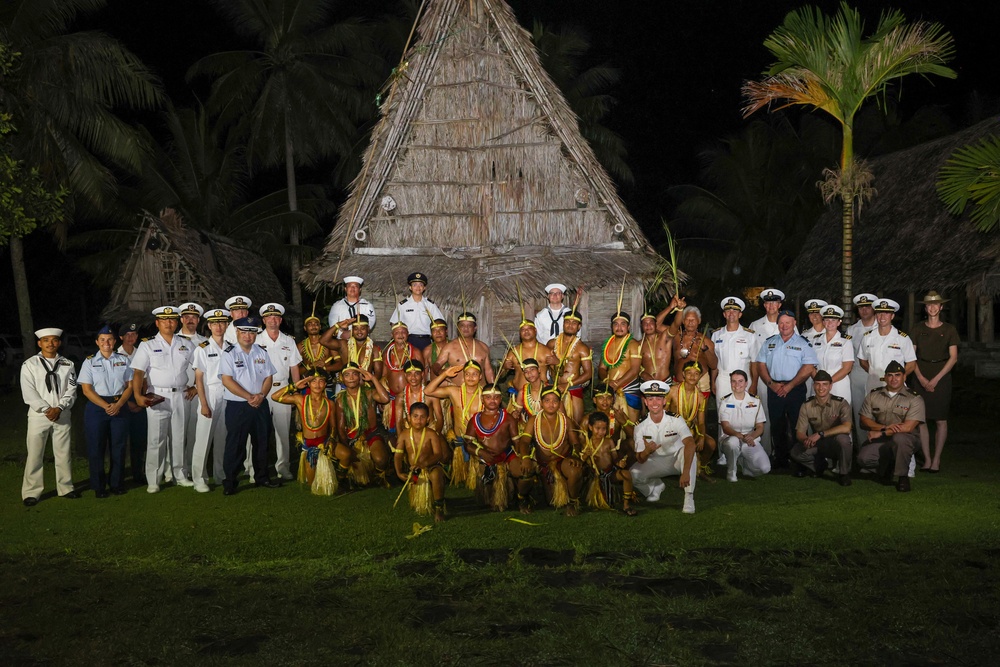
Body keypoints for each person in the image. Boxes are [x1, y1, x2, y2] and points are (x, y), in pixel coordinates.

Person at [131, 306, 197, 493]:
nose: (169, 323)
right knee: (156, 439)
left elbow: (199, 367)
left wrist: (196, 387)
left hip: (181, 395)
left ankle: (180, 475)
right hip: (157, 396)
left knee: (179, 437)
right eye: (165, 320)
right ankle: (154, 479)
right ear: (157, 323)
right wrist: (137, 395)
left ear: (177, 322)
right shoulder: (148, 344)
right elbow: (138, 372)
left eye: (172, 320)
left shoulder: (185, 343)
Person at [219, 316, 280, 495]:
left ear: (256, 335)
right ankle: (230, 482)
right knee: (235, 445)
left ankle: (262, 477)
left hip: (260, 404)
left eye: (252, 332)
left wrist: (261, 395)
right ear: (237, 332)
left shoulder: (261, 352)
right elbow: (226, 380)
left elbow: (269, 376)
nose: (248, 336)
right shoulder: (229, 353)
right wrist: (249, 396)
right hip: (238, 406)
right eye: (244, 332)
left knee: (262, 443)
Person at [20, 327, 79, 506]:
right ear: (39, 343)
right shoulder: (30, 364)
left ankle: (66, 487)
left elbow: (72, 389)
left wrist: (60, 407)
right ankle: (31, 492)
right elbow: (28, 391)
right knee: (35, 454)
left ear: (59, 343)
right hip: (39, 416)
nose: (50, 344)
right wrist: (47, 409)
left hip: (62, 414)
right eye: (46, 340)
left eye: (54, 340)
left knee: (63, 453)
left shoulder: (68, 364)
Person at [755, 308, 819, 468]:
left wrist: (790, 385)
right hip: (774, 388)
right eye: (781, 323)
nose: (784, 326)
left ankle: (799, 460)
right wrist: (771, 383)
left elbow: (808, 366)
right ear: (778, 325)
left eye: (788, 323)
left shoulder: (803, 343)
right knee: (777, 425)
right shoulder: (769, 342)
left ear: (794, 324)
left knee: (798, 425)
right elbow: (760, 364)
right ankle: (781, 459)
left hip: (795, 389)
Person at [78, 325, 133, 498]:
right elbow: (86, 390)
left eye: (109, 339)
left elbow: (130, 386)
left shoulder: (124, 360)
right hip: (97, 408)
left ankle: (116, 484)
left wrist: (119, 404)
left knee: (119, 446)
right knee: (96, 447)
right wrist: (106, 406)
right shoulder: (89, 361)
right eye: (102, 340)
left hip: (119, 405)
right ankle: (99, 486)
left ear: (115, 341)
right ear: (97, 342)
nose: (106, 343)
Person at [910, 291, 959, 473]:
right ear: (925, 308)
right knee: (921, 420)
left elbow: (953, 358)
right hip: (920, 373)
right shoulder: (917, 328)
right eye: (929, 305)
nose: (932, 308)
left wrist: (936, 379)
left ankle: (937, 459)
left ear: (941, 307)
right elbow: (911, 356)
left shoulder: (949, 329)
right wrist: (922, 379)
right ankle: (927, 459)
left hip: (942, 375)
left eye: (935, 305)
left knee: (940, 419)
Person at [630, 380, 697, 513]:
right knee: (633, 474)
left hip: (677, 459)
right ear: (645, 402)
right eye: (650, 399)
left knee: (690, 453)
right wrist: (647, 451)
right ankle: (654, 487)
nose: (654, 403)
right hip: (656, 461)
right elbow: (640, 458)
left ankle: (689, 497)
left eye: (658, 399)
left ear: (664, 401)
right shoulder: (640, 426)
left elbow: (690, 443)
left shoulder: (676, 419)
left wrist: (685, 472)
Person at [858, 361, 925, 492]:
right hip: (883, 438)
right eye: (890, 375)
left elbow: (907, 428)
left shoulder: (914, 399)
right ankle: (888, 466)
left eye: (897, 375)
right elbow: (864, 420)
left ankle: (902, 477)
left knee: (900, 439)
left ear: (904, 377)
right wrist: (883, 428)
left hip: (907, 439)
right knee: (863, 459)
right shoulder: (874, 395)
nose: (893, 379)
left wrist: (880, 432)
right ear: (885, 377)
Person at [461, 386, 527, 511]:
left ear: (501, 399)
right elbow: (467, 444)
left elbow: (517, 442)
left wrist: (523, 458)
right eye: (488, 397)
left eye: (496, 397)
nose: (493, 400)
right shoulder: (475, 420)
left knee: (524, 473)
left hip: (507, 456)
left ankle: (522, 498)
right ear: (482, 399)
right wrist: (480, 452)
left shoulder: (508, 418)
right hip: (486, 459)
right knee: (485, 502)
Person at [520, 386, 584, 515]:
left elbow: (575, 442)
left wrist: (576, 455)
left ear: (560, 403)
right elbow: (524, 441)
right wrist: (525, 458)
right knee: (525, 471)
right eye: (547, 400)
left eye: (555, 401)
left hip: (562, 461)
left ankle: (572, 503)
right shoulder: (533, 420)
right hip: (542, 464)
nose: (551, 404)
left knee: (575, 470)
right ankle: (523, 499)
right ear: (542, 403)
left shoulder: (567, 421)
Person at [272, 372, 337, 489]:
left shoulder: (330, 403)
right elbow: (275, 397)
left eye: (321, 381)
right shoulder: (300, 400)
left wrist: (331, 439)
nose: (317, 384)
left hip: (324, 442)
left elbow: (333, 426)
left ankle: (342, 478)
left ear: (325, 384)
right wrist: (294, 386)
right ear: (308, 384)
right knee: (312, 484)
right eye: (314, 381)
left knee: (347, 455)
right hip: (309, 446)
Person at [426, 360, 486, 486]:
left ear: (480, 376)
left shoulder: (485, 395)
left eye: (474, 374)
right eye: (467, 374)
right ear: (463, 376)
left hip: (479, 441)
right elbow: (428, 391)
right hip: (460, 440)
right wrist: (445, 374)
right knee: (464, 479)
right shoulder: (454, 391)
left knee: (480, 479)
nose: (470, 377)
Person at [332, 362, 392, 486]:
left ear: (360, 376)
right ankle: (344, 479)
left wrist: (373, 378)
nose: (351, 377)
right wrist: (347, 447)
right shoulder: (340, 400)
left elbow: (385, 399)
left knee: (380, 460)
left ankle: (377, 475)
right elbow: (341, 427)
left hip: (371, 434)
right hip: (352, 438)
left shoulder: (369, 393)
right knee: (355, 467)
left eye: (355, 374)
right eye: (347, 375)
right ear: (342, 379)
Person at [190, 308, 230, 492]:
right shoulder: (203, 348)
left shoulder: (231, 347)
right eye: (215, 323)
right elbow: (199, 378)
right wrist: (204, 404)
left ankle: (220, 473)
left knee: (222, 437)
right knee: (204, 439)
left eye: (222, 323)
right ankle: (199, 478)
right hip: (210, 393)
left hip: (228, 394)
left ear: (227, 324)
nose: (219, 326)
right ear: (210, 326)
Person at [792, 370, 853, 486]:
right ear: (814, 385)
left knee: (844, 440)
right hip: (818, 444)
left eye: (825, 384)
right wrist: (806, 440)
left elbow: (846, 427)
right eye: (818, 384)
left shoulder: (841, 403)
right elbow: (799, 432)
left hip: (835, 443)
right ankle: (819, 466)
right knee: (795, 451)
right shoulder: (806, 405)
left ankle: (844, 473)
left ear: (830, 386)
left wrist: (820, 434)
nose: (821, 388)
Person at [394, 402, 448, 521]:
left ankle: (439, 508)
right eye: (415, 416)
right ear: (409, 418)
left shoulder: (431, 434)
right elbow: (398, 455)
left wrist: (424, 464)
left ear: (428, 419)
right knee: (415, 481)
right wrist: (398, 472)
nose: (419, 420)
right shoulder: (404, 435)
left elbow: (438, 454)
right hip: (415, 472)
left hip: (431, 467)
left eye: (423, 417)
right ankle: (422, 500)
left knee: (436, 474)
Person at [665, 360, 716, 480]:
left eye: (696, 374)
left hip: (690, 430)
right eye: (689, 373)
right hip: (672, 429)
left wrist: (702, 437)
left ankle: (701, 468)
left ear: (700, 376)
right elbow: (663, 414)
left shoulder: (700, 397)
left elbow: (701, 422)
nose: (692, 376)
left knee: (711, 443)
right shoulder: (672, 391)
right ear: (683, 374)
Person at [579, 411, 637, 516]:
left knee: (626, 474)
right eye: (598, 428)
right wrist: (586, 455)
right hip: (596, 477)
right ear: (590, 427)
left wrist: (619, 463)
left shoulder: (609, 441)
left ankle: (626, 505)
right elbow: (581, 461)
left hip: (610, 473)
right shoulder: (587, 444)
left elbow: (614, 458)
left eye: (604, 429)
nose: (601, 432)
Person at [717, 370, 769, 483]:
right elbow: (725, 427)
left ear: (746, 383)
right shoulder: (725, 402)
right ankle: (732, 471)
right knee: (733, 442)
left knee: (765, 468)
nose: (737, 385)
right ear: (730, 383)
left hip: (749, 439)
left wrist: (752, 436)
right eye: (734, 381)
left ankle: (746, 466)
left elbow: (760, 426)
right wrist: (739, 435)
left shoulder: (755, 401)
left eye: (740, 381)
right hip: (730, 437)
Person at [857, 298, 916, 393]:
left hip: (896, 386)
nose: (882, 317)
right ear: (876, 315)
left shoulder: (902, 338)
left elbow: (911, 364)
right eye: (879, 313)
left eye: (886, 313)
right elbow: (862, 361)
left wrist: (898, 378)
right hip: (873, 384)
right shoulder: (867, 337)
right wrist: (874, 373)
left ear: (892, 316)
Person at [545, 310, 593, 425]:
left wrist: (567, 384)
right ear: (563, 323)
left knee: (575, 425)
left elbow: (588, 374)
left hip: (573, 388)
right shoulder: (552, 343)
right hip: (554, 387)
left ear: (579, 326)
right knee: (554, 425)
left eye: (574, 323)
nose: (570, 325)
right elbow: (544, 365)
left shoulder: (582, 348)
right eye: (567, 322)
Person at [597, 312, 643, 424]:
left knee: (631, 425)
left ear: (628, 327)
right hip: (610, 388)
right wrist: (607, 380)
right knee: (611, 425)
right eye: (616, 324)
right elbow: (602, 368)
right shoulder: (608, 344)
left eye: (623, 324)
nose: (619, 327)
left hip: (629, 388)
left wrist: (617, 383)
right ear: (612, 327)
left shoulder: (634, 344)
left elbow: (635, 370)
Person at [117, 322, 147, 484]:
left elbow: (145, 380)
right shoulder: (115, 355)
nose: (131, 338)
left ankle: (138, 473)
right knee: (120, 441)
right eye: (127, 335)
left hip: (139, 401)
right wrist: (127, 403)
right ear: (121, 337)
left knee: (139, 441)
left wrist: (141, 400)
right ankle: (119, 475)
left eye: (134, 335)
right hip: (121, 402)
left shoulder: (141, 353)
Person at [667, 304, 717, 394]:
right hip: (678, 383)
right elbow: (657, 325)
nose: (690, 323)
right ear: (682, 321)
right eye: (687, 319)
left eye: (693, 320)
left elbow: (714, 365)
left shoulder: (705, 341)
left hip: (700, 384)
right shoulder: (675, 337)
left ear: (699, 321)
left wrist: (704, 349)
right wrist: (671, 307)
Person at [847, 293, 878, 434]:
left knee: (879, 412)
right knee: (860, 412)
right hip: (858, 374)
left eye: (867, 307)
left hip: (878, 374)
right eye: (861, 307)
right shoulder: (852, 330)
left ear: (873, 308)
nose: (864, 310)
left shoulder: (882, 326)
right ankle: (862, 449)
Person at [389, 272, 445, 351]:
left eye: (421, 285)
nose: (418, 287)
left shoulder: (430, 305)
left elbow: (440, 322)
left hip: (426, 340)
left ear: (424, 288)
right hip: (408, 340)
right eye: (415, 285)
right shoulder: (402, 305)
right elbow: (394, 323)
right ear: (410, 287)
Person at [433, 312, 493, 384]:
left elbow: (488, 371)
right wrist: (442, 372)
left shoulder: (483, 347)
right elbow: (437, 365)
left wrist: (493, 388)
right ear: (458, 328)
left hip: (479, 392)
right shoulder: (449, 347)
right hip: (458, 392)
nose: (466, 328)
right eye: (462, 325)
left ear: (475, 328)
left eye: (469, 325)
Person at [812, 305, 854, 404]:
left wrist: (828, 382)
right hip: (819, 384)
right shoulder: (816, 340)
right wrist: (819, 382)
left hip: (838, 384)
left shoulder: (846, 341)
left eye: (833, 320)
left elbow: (847, 368)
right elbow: (810, 365)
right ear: (823, 322)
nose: (829, 323)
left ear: (839, 322)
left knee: (839, 415)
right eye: (826, 320)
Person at [501, 319, 549, 392]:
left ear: (535, 330)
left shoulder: (546, 351)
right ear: (519, 333)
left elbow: (557, 375)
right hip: (518, 395)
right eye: (523, 329)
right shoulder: (513, 353)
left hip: (541, 395)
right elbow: (500, 376)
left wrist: (557, 363)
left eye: (529, 328)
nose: (526, 331)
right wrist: (504, 368)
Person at [383, 321, 424, 399]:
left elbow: (422, 375)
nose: (400, 335)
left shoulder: (415, 352)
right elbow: (383, 376)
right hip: (391, 395)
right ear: (392, 335)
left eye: (403, 332)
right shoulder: (386, 353)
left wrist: (421, 396)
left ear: (408, 333)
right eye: (397, 332)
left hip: (411, 395)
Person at [298, 314, 341, 381]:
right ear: (305, 328)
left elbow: (340, 364)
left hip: (326, 380)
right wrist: (309, 366)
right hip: (308, 381)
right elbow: (294, 370)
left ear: (320, 327)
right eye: (310, 324)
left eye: (316, 324)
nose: (313, 326)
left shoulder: (328, 343)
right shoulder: (300, 346)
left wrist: (325, 368)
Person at [637, 305, 674, 383]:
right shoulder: (638, 344)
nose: (648, 326)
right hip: (646, 383)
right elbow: (635, 365)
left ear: (656, 325)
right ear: (641, 326)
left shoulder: (665, 338)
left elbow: (676, 325)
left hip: (665, 381)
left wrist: (673, 307)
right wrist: (642, 373)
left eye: (651, 322)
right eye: (645, 323)